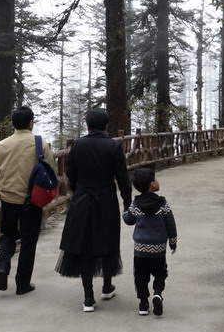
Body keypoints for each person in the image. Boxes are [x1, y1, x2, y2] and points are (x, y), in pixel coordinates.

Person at [56, 109, 132, 312]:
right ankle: (107, 286)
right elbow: (122, 177)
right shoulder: (113, 146)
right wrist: (127, 203)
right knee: (107, 240)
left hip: (82, 200)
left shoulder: (77, 145)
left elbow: (70, 173)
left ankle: (88, 297)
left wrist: (79, 191)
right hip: (106, 199)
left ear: (87, 126)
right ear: (107, 126)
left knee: (85, 244)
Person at [0, 105, 51, 296]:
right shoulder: (41, 144)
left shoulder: (2, 145)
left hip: (8, 199)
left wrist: (2, 193)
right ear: (31, 123)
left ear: (13, 124)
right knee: (29, 241)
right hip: (32, 200)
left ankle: (3, 266)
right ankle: (22, 284)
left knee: (8, 234)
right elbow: (51, 173)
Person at [123, 167, 177, 316]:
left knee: (140, 277)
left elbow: (129, 220)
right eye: (155, 179)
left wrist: (125, 211)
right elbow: (170, 225)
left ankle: (143, 304)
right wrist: (173, 242)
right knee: (160, 272)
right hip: (158, 249)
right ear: (152, 184)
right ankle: (157, 293)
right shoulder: (163, 204)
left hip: (140, 250)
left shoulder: (135, 205)